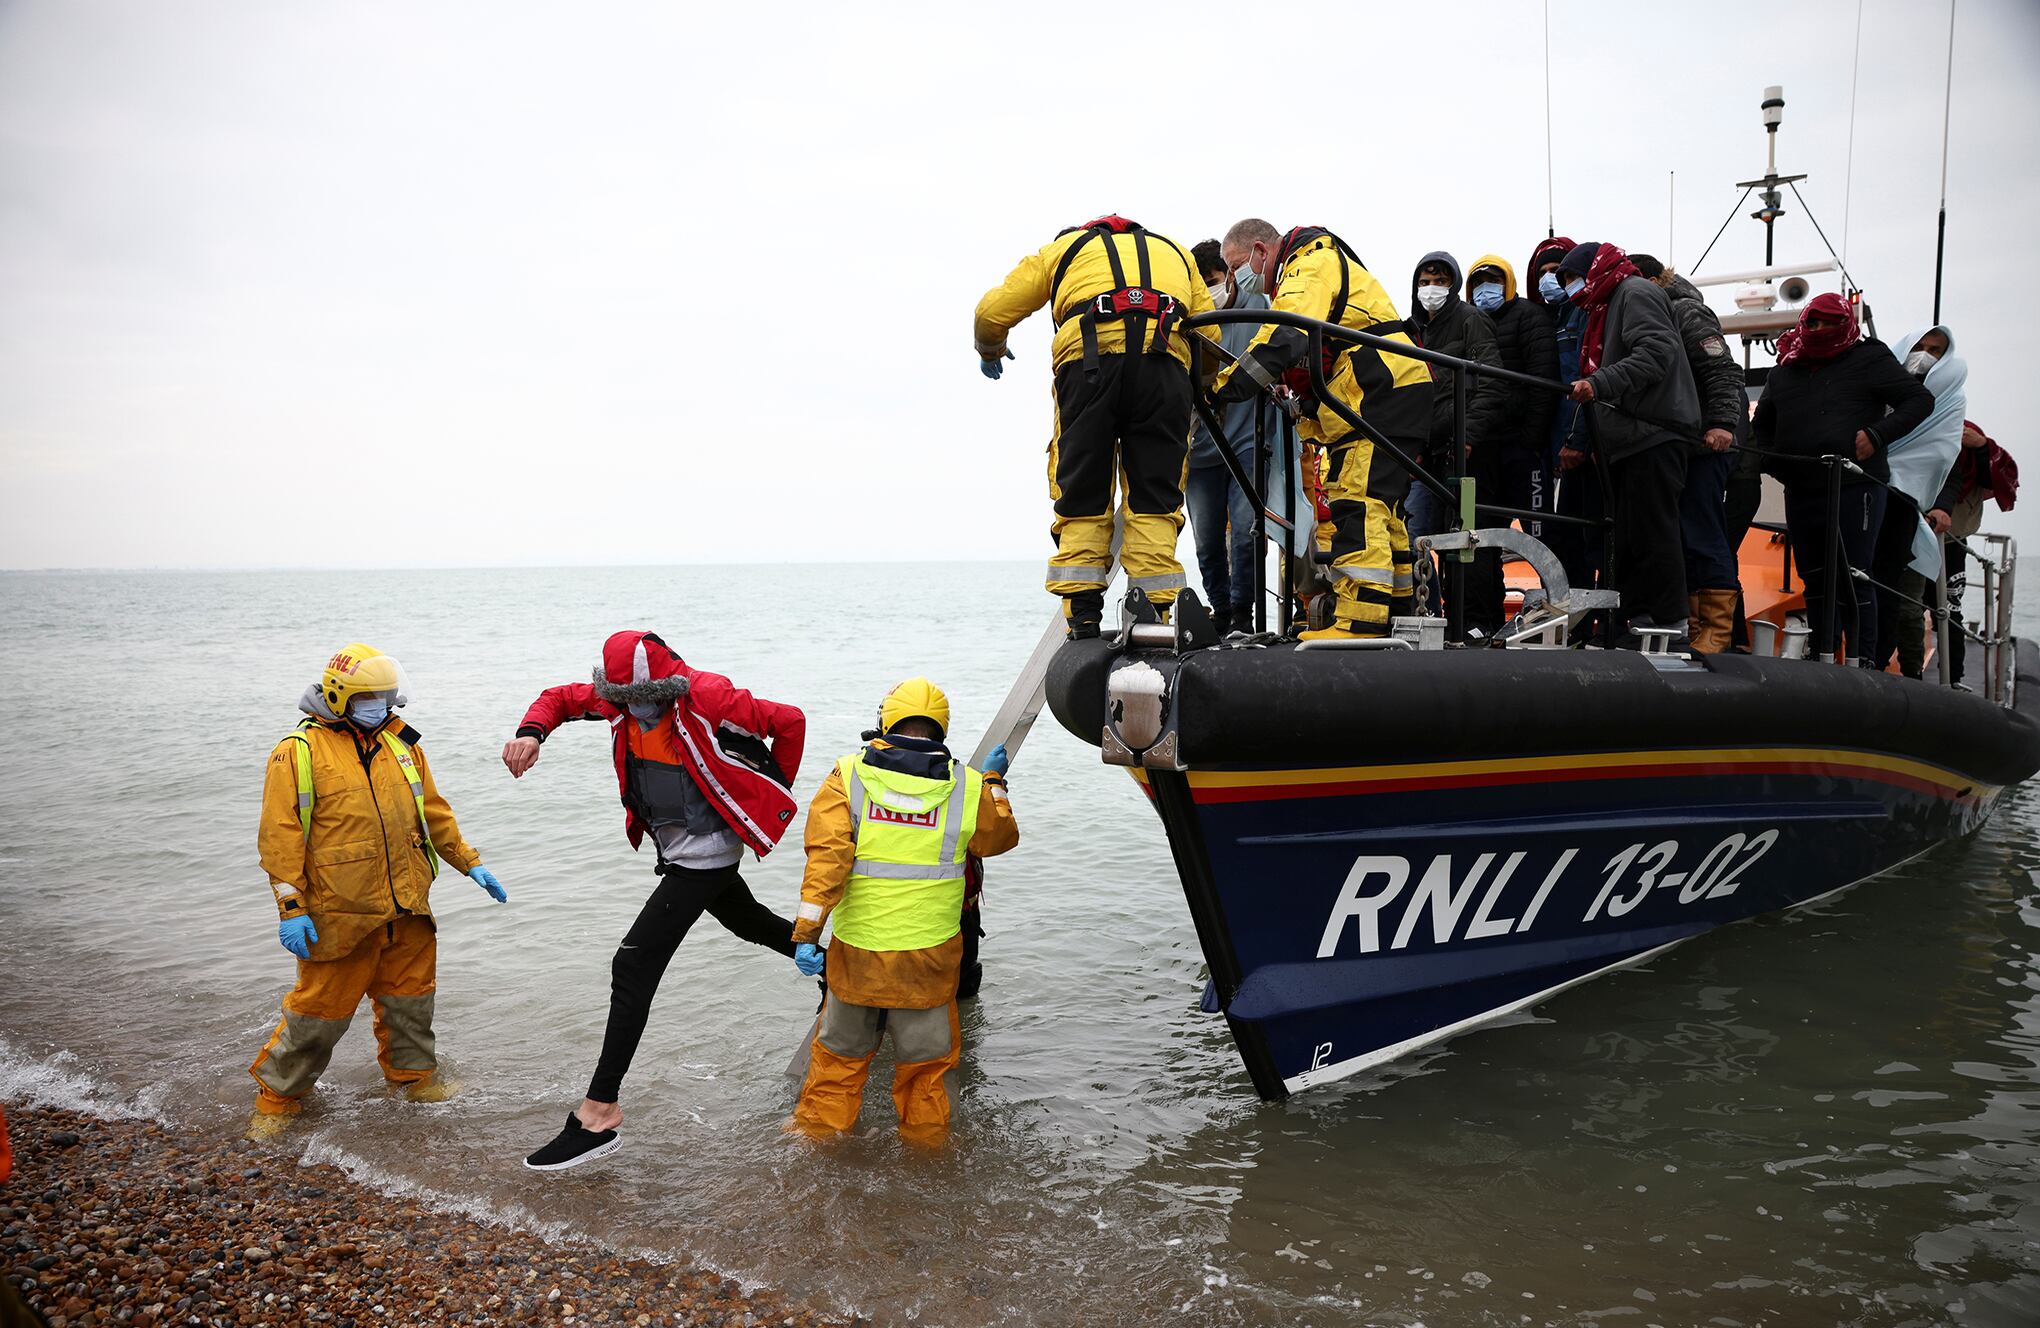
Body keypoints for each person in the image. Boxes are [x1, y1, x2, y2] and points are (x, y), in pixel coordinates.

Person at [506, 630, 805, 1170]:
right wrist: (532, 734)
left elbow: (789, 721)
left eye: (647, 698)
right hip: (676, 847)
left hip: (707, 852)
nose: (637, 710)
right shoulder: (617, 701)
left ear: (669, 684)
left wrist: (767, 792)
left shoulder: (710, 695)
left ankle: (599, 1114)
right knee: (746, 920)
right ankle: (836, 966)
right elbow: (559, 698)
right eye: (624, 700)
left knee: (633, 963)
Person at [249, 644, 503, 1140]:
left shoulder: (402, 744)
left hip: (407, 906)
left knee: (411, 1004)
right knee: (317, 1015)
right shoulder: (298, 753)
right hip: (339, 912)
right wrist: (290, 907)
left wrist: (470, 863)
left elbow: (433, 814)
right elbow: (279, 839)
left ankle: (415, 1082)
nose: (383, 706)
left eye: (388, 697)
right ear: (342, 696)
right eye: (372, 698)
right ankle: (276, 1101)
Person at [787, 679, 1019, 1144]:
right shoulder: (966, 786)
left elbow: (827, 863)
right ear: (941, 727)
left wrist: (807, 933)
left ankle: (815, 1150)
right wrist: (993, 783)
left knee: (838, 1063)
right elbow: (999, 840)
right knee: (928, 1075)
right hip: (928, 961)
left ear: (885, 720)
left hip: (858, 957)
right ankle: (928, 1163)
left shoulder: (847, 776)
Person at [974, 216, 1217, 639]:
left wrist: (990, 348)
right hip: (1165, 373)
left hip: (1088, 367)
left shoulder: (1063, 250)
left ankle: (1084, 616)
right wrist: (1202, 387)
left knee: (1083, 489)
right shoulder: (1176, 251)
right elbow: (1210, 332)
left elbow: (991, 312)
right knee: (1156, 495)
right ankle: (1157, 614)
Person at [1212, 220, 1433, 639]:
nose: (1240, 280)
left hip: (1378, 389)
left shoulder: (1307, 265)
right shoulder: (1325, 260)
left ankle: (1359, 622)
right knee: (1385, 513)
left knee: (1358, 501)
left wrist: (1227, 387)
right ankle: (1402, 613)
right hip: (1397, 386)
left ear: (1261, 251)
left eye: (1237, 266)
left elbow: (1284, 333)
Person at [1750, 295, 1934, 665]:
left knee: (1855, 578)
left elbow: (1918, 400)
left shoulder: (1869, 357)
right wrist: (1777, 463)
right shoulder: (1784, 370)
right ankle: (1824, 654)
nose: (1818, 330)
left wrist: (1877, 435)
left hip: (1856, 487)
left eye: (1827, 323)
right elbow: (1761, 428)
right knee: (1815, 580)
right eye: (1812, 323)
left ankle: (1862, 661)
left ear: (1845, 323)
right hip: (1802, 490)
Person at [1556, 241, 1700, 646]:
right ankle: (1632, 621)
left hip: (1654, 432)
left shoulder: (1635, 293)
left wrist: (1597, 383)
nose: (1570, 287)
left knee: (1654, 533)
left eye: (1571, 276)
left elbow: (1657, 353)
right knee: (1629, 537)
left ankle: (1670, 623)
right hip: (1626, 440)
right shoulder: (1603, 305)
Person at [1630, 255, 1747, 652]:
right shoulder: (1650, 315)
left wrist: (1723, 424)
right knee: (1679, 534)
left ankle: (1717, 630)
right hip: (1675, 443)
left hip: (1705, 444)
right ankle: (1696, 623)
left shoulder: (1685, 310)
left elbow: (1721, 370)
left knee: (1703, 530)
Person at [1403, 252, 1506, 628]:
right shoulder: (1411, 330)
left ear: (1455, 285)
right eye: (1426, 280)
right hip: (1426, 452)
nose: (1432, 288)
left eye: (1441, 280)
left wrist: (1468, 436)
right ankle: (1428, 619)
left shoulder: (1471, 321)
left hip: (1466, 451)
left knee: (1466, 543)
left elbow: (1493, 382)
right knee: (1415, 536)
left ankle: (1473, 624)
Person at [1185, 238, 1275, 634]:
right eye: (1201, 282)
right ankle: (1220, 610)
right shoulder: (1185, 319)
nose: (1210, 289)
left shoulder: (1259, 308)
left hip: (1248, 442)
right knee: (1206, 541)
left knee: (1245, 531)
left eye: (1215, 279)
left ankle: (1242, 612)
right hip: (1200, 449)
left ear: (1229, 277)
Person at [1872, 325, 1967, 677]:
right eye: (1920, 346)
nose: (1925, 354)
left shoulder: (1949, 402)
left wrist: (1940, 505)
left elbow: (1946, 459)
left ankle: (1911, 674)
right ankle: (1869, 661)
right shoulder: (1879, 389)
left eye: (1936, 350)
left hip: (1913, 511)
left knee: (1908, 607)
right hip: (1868, 496)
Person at [1528, 235, 1601, 596]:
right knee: (1564, 537)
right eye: (1542, 272)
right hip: (1559, 446)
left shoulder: (1584, 313)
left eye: (1558, 272)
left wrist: (1577, 440)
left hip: (1584, 444)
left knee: (1590, 537)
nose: (1550, 280)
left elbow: (1583, 381)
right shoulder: (1549, 318)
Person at [1923, 419, 2015, 685]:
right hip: (1910, 534)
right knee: (1907, 607)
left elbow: (1995, 476)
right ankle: (1908, 672)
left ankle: (1952, 676)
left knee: (1949, 609)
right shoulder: (1911, 425)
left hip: (1952, 538)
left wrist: (1982, 446)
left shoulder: (1968, 431)